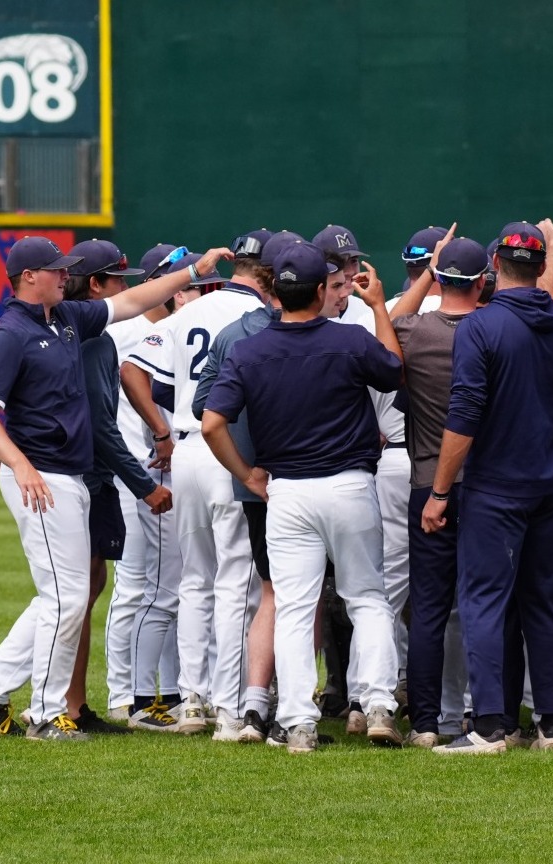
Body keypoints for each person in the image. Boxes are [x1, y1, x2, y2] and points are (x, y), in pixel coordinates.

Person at [0, 236, 229, 741]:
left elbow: (131, 301)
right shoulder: (10, 333)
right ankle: (44, 715)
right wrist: (19, 465)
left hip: (67, 476)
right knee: (66, 596)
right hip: (39, 476)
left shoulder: (64, 319)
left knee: (60, 596)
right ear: (28, 276)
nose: (66, 276)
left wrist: (194, 274)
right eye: (56, 270)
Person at [202, 242, 404, 753]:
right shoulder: (350, 340)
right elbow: (394, 373)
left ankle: (297, 723)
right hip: (349, 485)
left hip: (287, 493)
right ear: (320, 290)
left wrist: (246, 475)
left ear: (274, 288)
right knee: (367, 598)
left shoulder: (249, 350)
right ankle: (377, 705)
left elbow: (211, 424)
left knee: (293, 607)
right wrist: (380, 305)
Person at [420, 220, 553, 755]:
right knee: (542, 599)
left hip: (497, 486)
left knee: (483, 600)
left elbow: (463, 418)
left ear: (491, 270)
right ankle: (552, 723)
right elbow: (546, 298)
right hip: (551, 481)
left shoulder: (480, 329)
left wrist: (439, 493)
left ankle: (489, 727)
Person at [121, 234, 267, 741]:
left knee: (194, 582)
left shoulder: (189, 311)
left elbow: (132, 369)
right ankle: (229, 708)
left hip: (185, 449)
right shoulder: (257, 317)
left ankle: (191, 701)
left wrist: (162, 431)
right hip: (230, 450)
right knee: (235, 584)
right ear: (266, 274)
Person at [190, 231, 315, 743]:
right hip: (296, 479)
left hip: (256, 482)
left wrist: (244, 461)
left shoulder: (237, 334)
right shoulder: (314, 332)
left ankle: (245, 710)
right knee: (290, 595)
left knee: (267, 593)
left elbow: (204, 406)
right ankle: (268, 711)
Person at [60, 239, 174, 735]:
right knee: (74, 595)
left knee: (88, 588)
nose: (123, 290)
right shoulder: (92, 339)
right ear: (96, 284)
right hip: (87, 476)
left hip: (90, 475)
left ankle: (76, 703)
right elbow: (101, 427)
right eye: (116, 280)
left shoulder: (87, 335)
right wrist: (142, 485)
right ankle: (61, 703)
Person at [388, 230, 487, 747]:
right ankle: (488, 713)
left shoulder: (416, 331)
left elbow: (390, 321)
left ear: (438, 277)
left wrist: (430, 268)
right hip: (489, 487)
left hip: (428, 483)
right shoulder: (496, 327)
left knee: (429, 606)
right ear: (483, 280)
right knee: (488, 601)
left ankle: (427, 721)